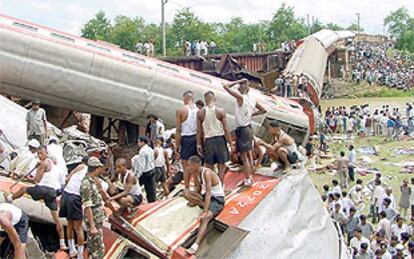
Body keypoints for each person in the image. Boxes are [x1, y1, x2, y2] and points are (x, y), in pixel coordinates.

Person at [5, 146, 66, 250]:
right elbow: (61, 182)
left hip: (43, 189)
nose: (39, 156)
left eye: (41, 153)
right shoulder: (53, 164)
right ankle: (62, 243)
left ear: (46, 153)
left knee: (24, 189)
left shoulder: (43, 163)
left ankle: (10, 199)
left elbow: (36, 180)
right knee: (56, 219)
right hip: (52, 192)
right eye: (38, 154)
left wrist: (27, 177)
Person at [223, 79, 266, 186]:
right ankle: (250, 176)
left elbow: (225, 86)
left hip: (242, 129)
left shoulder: (241, 98)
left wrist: (237, 81)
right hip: (248, 128)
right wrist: (251, 115)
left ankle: (248, 179)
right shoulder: (252, 100)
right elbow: (263, 110)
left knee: (244, 157)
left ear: (242, 87)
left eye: (240, 85)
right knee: (248, 154)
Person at [184, 156, 225, 255]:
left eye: (189, 165)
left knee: (205, 218)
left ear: (196, 165)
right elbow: (198, 188)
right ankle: (202, 205)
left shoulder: (206, 173)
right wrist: (194, 198)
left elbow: (208, 193)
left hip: (216, 200)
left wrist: (205, 210)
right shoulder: (195, 173)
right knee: (185, 192)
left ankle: (195, 246)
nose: (188, 167)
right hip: (206, 198)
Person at [196, 91, 232, 182]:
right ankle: (220, 186)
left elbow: (199, 131)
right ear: (214, 99)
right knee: (221, 166)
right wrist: (230, 143)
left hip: (208, 141)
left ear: (205, 100)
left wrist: (199, 144)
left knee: (210, 166)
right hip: (220, 139)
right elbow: (226, 128)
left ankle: (212, 187)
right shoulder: (220, 111)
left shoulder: (200, 113)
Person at [59, 156, 88, 258]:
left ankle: (72, 249)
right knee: (78, 228)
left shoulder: (80, 167)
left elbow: (67, 178)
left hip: (66, 194)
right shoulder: (91, 176)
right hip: (75, 197)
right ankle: (80, 256)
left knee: (70, 224)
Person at [80, 157, 107, 259]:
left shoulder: (92, 181)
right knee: (97, 247)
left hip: (97, 216)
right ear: (96, 168)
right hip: (94, 218)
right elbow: (87, 206)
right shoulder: (86, 184)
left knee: (95, 244)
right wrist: (92, 226)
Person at [175, 91, 199, 194]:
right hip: (196, 138)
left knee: (186, 166)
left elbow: (178, 130)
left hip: (186, 138)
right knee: (196, 165)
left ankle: (187, 187)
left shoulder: (181, 110)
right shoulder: (199, 110)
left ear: (185, 99)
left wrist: (177, 144)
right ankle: (197, 187)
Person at [133, 137, 156, 203]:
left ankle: (135, 200)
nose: (138, 144)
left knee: (135, 186)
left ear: (142, 142)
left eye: (138, 142)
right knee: (151, 189)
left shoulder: (142, 151)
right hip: (151, 170)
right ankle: (152, 202)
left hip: (145, 172)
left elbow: (141, 165)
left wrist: (138, 175)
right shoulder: (150, 149)